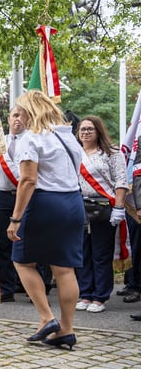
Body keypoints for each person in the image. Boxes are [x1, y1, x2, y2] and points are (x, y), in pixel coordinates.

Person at [6, 90, 85, 349]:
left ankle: (46, 318)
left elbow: (28, 180)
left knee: (22, 261)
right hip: (73, 202)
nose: (19, 117)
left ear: (30, 112)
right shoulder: (68, 136)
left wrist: (15, 218)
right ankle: (66, 329)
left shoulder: (31, 138)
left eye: (20, 112)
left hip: (44, 202)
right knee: (64, 268)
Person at [74, 115, 128, 313]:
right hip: (79, 207)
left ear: (98, 131)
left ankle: (100, 297)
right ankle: (85, 293)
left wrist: (119, 207)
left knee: (101, 253)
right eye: (82, 129)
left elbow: (121, 181)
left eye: (90, 129)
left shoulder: (111, 152)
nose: (85, 132)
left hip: (104, 206)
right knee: (82, 252)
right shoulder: (75, 153)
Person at [0, 105, 30, 303]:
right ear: (8, 119)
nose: (18, 119)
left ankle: (35, 289)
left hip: (27, 197)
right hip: (3, 197)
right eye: (14, 115)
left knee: (30, 241)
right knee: (3, 243)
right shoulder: (0, 143)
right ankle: (6, 289)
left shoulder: (32, 140)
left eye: (22, 116)